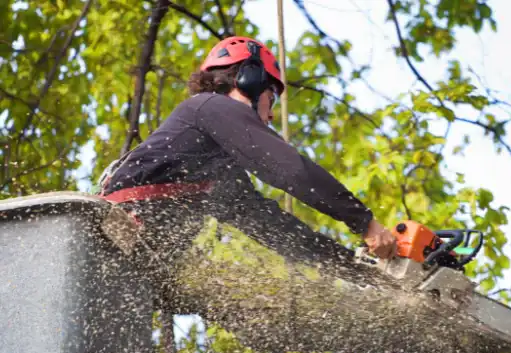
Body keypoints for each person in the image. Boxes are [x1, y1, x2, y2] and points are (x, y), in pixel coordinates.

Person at [98, 35, 397, 270]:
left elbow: (277, 230)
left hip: (131, 263)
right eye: (272, 97)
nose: (269, 116)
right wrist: (365, 223)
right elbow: (291, 169)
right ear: (250, 80)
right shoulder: (208, 107)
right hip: (112, 237)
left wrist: (357, 269)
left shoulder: (218, 172)